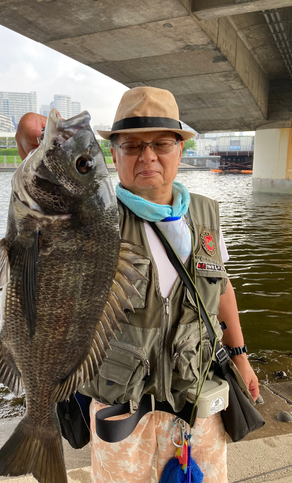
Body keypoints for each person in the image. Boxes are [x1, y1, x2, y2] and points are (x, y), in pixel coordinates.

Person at [16, 87, 259, 483]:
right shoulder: (94, 220)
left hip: (197, 405)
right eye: (132, 146)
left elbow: (222, 288)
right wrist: (34, 153)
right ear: (113, 155)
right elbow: (46, 214)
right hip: (121, 414)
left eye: (161, 143)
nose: (148, 156)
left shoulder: (204, 216)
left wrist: (241, 356)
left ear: (180, 149)